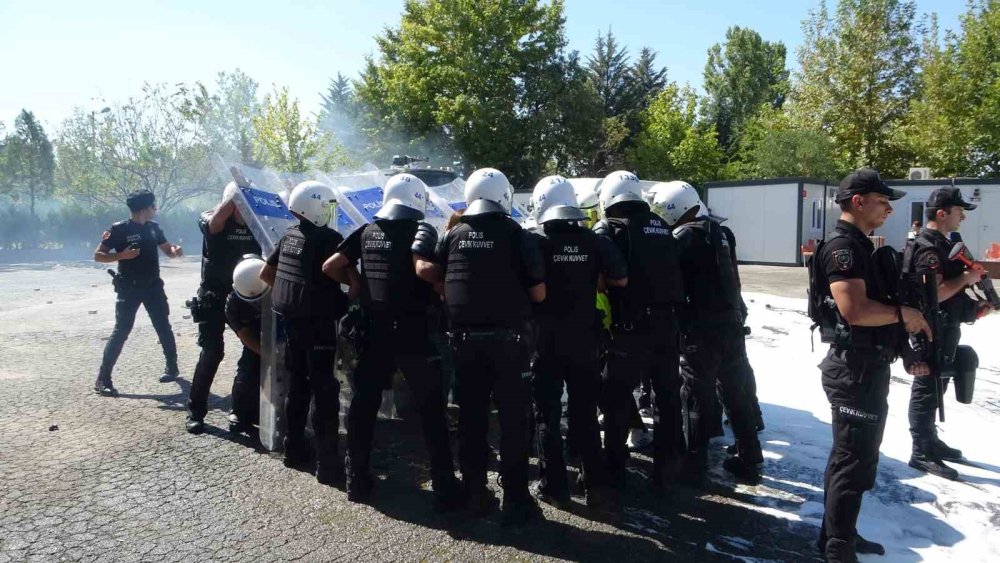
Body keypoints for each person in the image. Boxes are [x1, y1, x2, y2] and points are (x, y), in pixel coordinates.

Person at [322, 173, 463, 508]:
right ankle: (445, 485)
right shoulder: (422, 229)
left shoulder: (367, 230)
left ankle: (356, 479)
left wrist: (355, 281)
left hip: (373, 332)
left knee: (364, 406)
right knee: (431, 410)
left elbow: (330, 266)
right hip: (414, 333)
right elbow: (425, 270)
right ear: (417, 200)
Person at [415, 167, 546, 525]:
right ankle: (516, 499)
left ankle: (475, 492)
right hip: (510, 344)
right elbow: (538, 291)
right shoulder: (517, 234)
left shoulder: (454, 234)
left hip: (464, 344)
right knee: (513, 421)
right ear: (503, 195)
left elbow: (437, 276)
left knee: (471, 420)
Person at [813, 168, 931, 562]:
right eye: (882, 202)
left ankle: (837, 534)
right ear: (858, 201)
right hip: (853, 370)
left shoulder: (861, 245)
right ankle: (837, 550)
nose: (888, 210)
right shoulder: (843, 248)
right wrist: (906, 315)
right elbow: (856, 311)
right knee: (853, 461)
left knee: (854, 458)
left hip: (866, 366)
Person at [651, 181, 763, 482]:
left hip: (701, 329)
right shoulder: (721, 233)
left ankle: (695, 461)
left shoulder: (683, 236)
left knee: (696, 395)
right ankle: (750, 455)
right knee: (735, 393)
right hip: (731, 324)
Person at [527, 175, 627, 508]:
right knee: (585, 413)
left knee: (547, 415)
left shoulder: (536, 241)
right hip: (584, 338)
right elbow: (620, 277)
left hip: (545, 342)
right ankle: (595, 483)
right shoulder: (594, 240)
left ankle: (554, 487)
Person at [593, 171, 685, 490]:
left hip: (630, 327)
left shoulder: (608, 229)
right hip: (668, 324)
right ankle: (668, 469)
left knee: (616, 396)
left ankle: (616, 467)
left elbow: (598, 273)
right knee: (667, 397)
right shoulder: (664, 228)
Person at [259, 180, 347, 487]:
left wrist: (294, 298)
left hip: (293, 326)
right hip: (320, 327)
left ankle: (292, 450)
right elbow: (347, 276)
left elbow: (266, 274)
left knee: (298, 387)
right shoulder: (330, 238)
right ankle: (327, 464)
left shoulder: (289, 236)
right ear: (317, 207)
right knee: (325, 393)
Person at [903, 187, 989, 480]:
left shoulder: (943, 244)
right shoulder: (928, 248)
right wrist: (966, 277)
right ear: (942, 213)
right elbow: (934, 295)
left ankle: (931, 442)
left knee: (937, 385)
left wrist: (975, 304)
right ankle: (921, 452)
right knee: (927, 389)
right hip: (930, 329)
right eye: (958, 211)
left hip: (945, 327)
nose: (963, 216)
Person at [185, 183, 262, 434]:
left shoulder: (256, 223)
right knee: (212, 352)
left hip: (245, 297)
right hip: (214, 297)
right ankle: (195, 412)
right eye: (238, 203)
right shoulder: (210, 215)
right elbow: (215, 224)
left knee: (253, 352)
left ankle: (241, 413)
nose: (242, 209)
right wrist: (235, 195)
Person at [93, 189, 184, 396]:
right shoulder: (118, 230)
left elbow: (167, 249)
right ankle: (103, 379)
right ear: (144, 208)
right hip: (130, 287)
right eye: (153, 206)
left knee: (163, 326)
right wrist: (122, 255)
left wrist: (175, 251)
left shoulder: (154, 228)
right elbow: (98, 256)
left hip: (153, 286)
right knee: (121, 331)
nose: (155, 209)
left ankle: (172, 367)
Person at [222, 254, 268, 435]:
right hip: (255, 337)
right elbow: (245, 335)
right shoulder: (232, 303)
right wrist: (267, 354)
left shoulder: (280, 287)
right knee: (248, 368)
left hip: (283, 334)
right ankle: (239, 412)